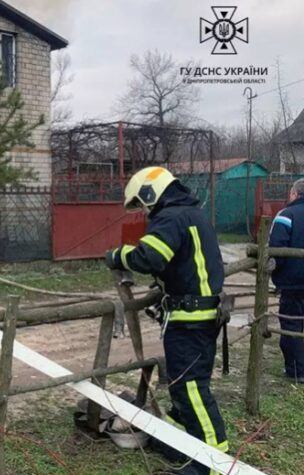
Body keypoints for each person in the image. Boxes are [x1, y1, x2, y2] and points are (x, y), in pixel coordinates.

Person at [104, 167, 228, 475]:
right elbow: (180, 261)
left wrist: (117, 256)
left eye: (142, 203)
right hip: (198, 317)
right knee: (183, 387)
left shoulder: (171, 217)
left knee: (191, 388)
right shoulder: (190, 213)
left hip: (190, 321)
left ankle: (212, 463)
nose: (144, 211)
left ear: (151, 192)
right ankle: (180, 444)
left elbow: (150, 257)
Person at [269, 178, 304, 382]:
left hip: (293, 284)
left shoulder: (286, 215)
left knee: (291, 325)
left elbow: (276, 249)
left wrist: (275, 271)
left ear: (294, 194)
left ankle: (297, 371)